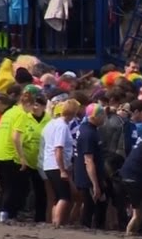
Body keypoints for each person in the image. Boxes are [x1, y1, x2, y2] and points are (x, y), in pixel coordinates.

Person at [0, 85, 37, 220]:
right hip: (8, 155)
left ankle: (1, 213)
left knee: (6, 187)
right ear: (27, 104)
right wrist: (22, 158)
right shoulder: (22, 114)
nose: (31, 110)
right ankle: (5, 215)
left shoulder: (9, 112)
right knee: (14, 187)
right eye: (31, 106)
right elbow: (16, 137)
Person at [41, 99, 79, 228]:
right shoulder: (62, 126)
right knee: (64, 196)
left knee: (57, 196)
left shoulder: (51, 124)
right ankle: (57, 222)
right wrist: (62, 169)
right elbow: (59, 148)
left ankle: (54, 221)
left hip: (48, 164)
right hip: (56, 164)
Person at [14, 92, 51, 222]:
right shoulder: (25, 117)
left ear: (44, 106)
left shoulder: (49, 120)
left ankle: (39, 217)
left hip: (40, 161)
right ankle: (19, 213)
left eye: (39, 105)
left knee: (41, 191)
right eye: (34, 104)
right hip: (25, 159)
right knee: (22, 188)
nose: (35, 108)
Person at [74, 103, 107, 229]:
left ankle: (95, 227)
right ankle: (85, 229)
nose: (104, 118)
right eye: (102, 115)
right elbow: (88, 160)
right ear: (94, 117)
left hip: (93, 175)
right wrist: (95, 184)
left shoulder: (88, 129)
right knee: (89, 205)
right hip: (87, 177)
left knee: (101, 203)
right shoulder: (88, 133)